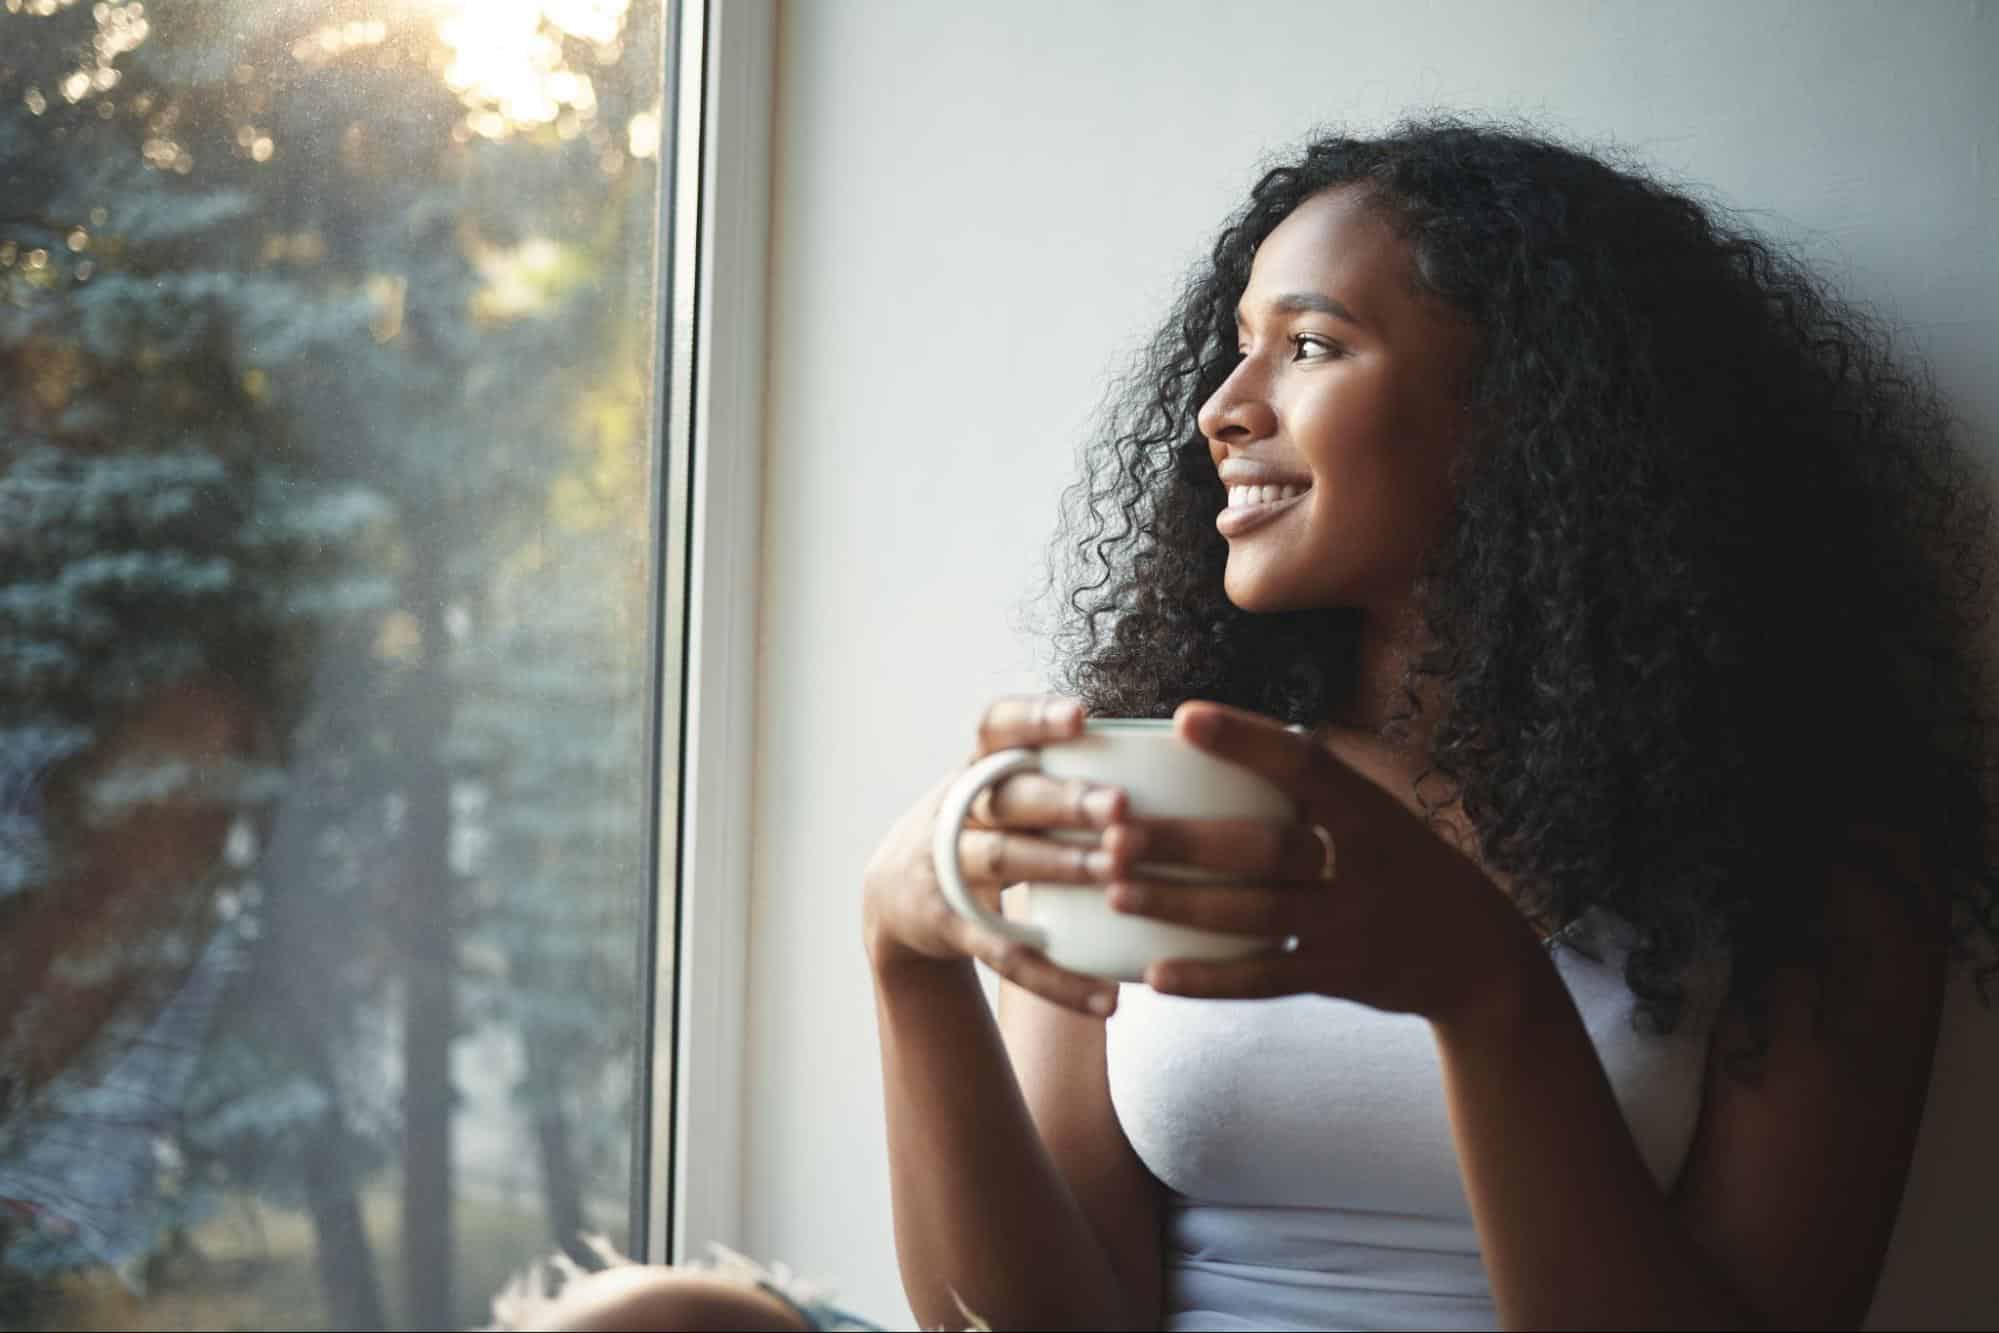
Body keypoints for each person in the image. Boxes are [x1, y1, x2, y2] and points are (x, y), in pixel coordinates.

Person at [519, 118, 1997, 1332]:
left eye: (1310, 345)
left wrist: (1486, 989)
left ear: (1523, 413)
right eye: (1236, 346)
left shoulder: (1821, 860)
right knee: (649, 1320)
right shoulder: (1168, 778)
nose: (1222, 408)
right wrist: (906, 959)